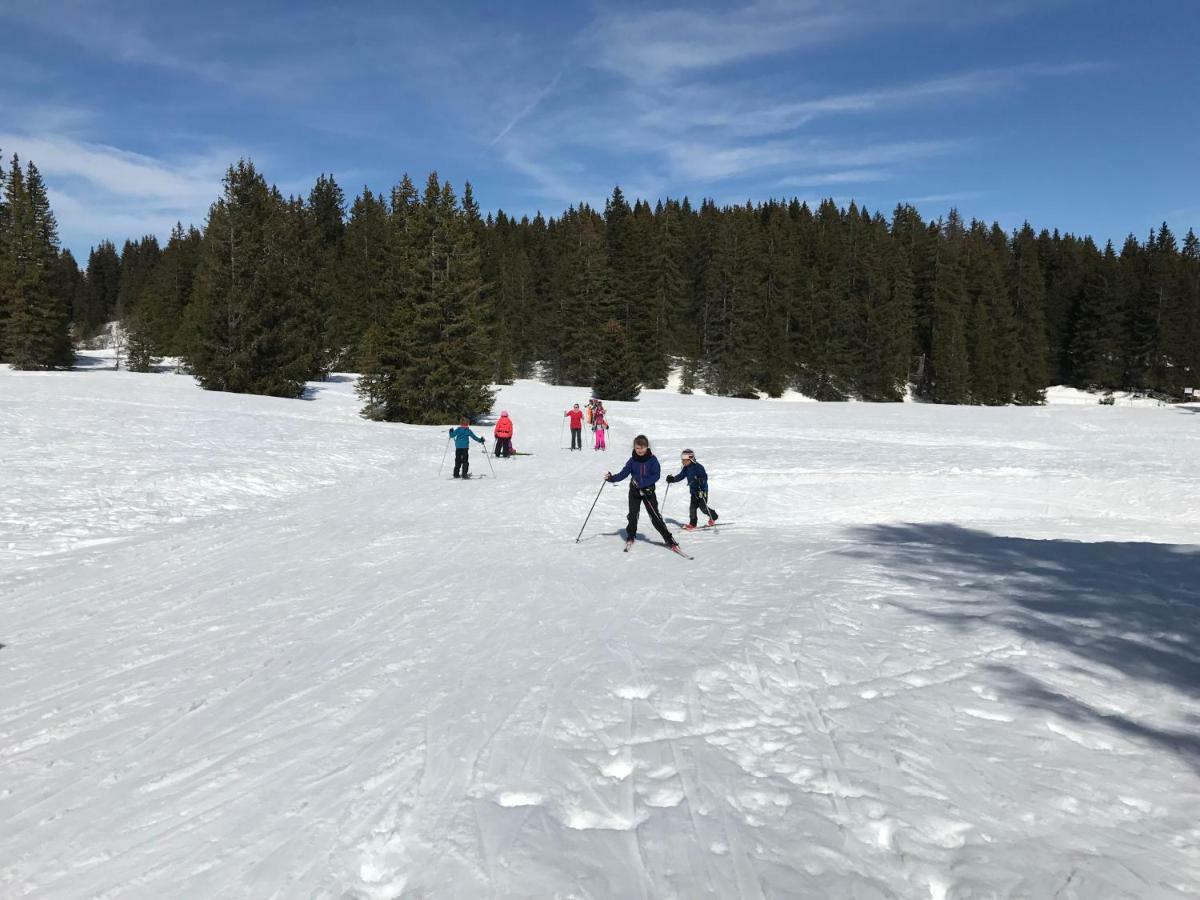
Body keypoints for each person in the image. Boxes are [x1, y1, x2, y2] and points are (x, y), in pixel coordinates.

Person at [605, 434, 679, 549]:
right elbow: (623, 473)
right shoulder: (632, 460)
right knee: (633, 515)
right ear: (634, 448)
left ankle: (669, 539)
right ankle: (631, 535)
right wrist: (612, 478)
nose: (640, 450)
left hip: (648, 493)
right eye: (637, 448)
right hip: (634, 492)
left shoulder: (652, 460)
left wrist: (642, 483)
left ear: (647, 447)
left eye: (642, 447)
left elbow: (656, 475)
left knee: (655, 516)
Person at [666, 448, 719, 530]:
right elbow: (681, 476)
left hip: (702, 490)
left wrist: (700, 480)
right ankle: (692, 524)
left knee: (703, 507)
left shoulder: (698, 467)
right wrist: (672, 479)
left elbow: (705, 477)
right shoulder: (686, 468)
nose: (683, 462)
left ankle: (713, 516)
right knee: (692, 508)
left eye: (685, 460)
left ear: (691, 459)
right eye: (682, 460)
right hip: (693, 491)